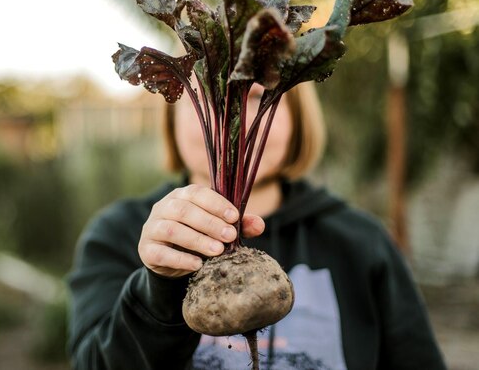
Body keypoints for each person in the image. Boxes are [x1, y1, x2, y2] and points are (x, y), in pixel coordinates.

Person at [67, 81, 446, 370]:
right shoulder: (118, 235)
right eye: (211, 96)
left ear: (298, 113)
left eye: (255, 95)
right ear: (172, 112)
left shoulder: (362, 243)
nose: (233, 114)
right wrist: (158, 288)